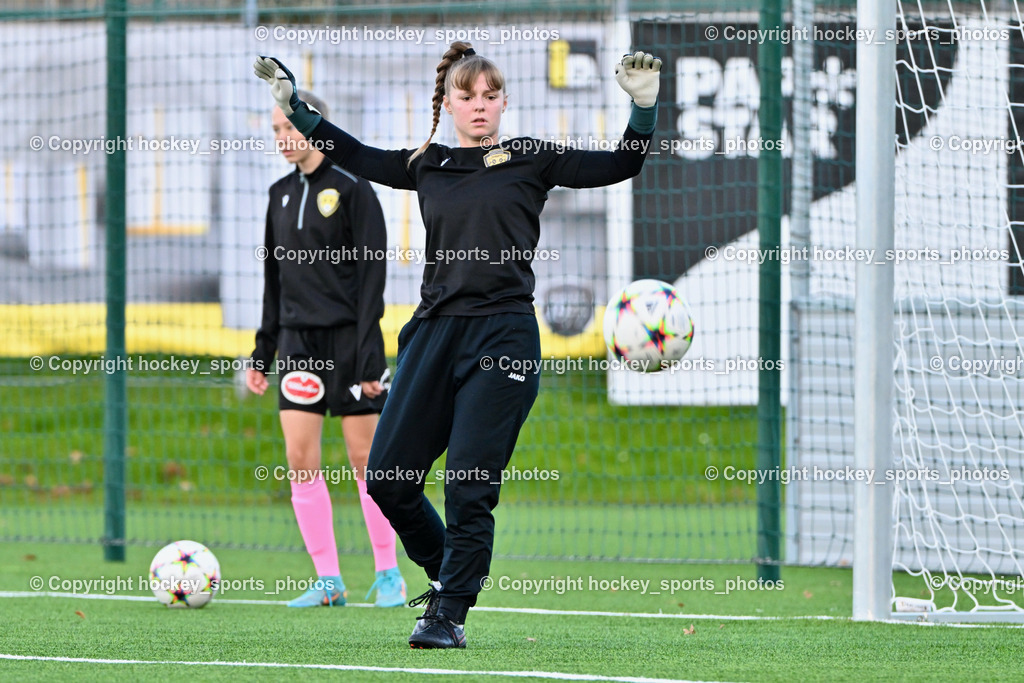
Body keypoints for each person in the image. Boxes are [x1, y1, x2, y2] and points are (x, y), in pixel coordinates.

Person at [254, 43, 661, 646]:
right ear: (447, 103)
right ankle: (449, 575)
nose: (479, 106)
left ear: (504, 102)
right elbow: (359, 155)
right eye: (466, 96)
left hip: (503, 337)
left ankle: (448, 613)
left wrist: (643, 110)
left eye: (490, 96)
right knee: (389, 478)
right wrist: (299, 109)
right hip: (434, 335)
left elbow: (619, 165)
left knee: (469, 483)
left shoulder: (531, 157)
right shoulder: (429, 163)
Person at [246, 90, 406, 609]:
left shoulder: (355, 188)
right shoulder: (277, 194)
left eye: (290, 127)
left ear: (314, 126)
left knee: (367, 461)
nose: (283, 138)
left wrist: (368, 359)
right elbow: (274, 282)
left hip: (350, 344)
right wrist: (262, 351)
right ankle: (329, 580)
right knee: (299, 459)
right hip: (297, 344)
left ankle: (388, 574)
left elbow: (371, 283)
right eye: (275, 130)